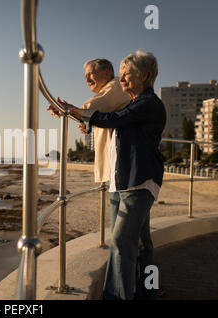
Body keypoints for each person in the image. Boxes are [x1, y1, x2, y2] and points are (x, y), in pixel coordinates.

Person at [66, 50, 166, 300]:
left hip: (138, 182)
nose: (122, 81)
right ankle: (148, 292)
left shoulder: (148, 104)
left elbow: (112, 118)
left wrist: (76, 111)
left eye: (126, 75)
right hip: (124, 182)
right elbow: (112, 119)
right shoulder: (135, 104)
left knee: (121, 243)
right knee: (141, 244)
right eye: (120, 76)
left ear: (144, 75)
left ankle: (116, 297)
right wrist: (83, 118)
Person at [47, 59, 131, 186]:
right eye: (85, 77)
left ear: (107, 72)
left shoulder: (116, 85)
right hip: (117, 166)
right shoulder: (110, 91)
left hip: (121, 166)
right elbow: (99, 115)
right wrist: (84, 121)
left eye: (90, 74)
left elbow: (92, 107)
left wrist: (67, 109)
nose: (87, 80)